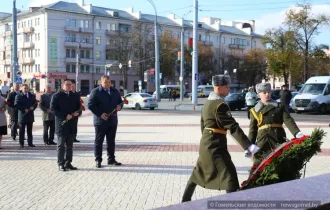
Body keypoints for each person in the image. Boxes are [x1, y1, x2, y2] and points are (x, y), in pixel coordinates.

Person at [181, 75, 260, 202]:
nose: (229, 89)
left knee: (197, 173)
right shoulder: (220, 105)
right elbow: (232, 127)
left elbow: (203, 125)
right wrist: (248, 145)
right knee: (230, 176)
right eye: (227, 87)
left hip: (207, 143)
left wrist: (206, 140)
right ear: (218, 88)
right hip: (215, 146)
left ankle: (185, 202)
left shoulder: (207, 103)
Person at [248, 83, 303, 160]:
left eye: (269, 92)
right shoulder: (254, 111)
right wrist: (249, 146)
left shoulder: (279, 106)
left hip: (278, 137)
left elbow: (288, 120)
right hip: (263, 140)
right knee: (260, 164)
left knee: (282, 161)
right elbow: (252, 130)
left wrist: (296, 132)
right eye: (264, 93)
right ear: (259, 94)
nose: (267, 94)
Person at [88, 75, 123, 168]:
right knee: (99, 141)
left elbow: (120, 102)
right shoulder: (95, 92)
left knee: (111, 141)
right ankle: (98, 160)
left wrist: (120, 106)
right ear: (101, 82)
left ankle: (111, 159)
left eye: (109, 82)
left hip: (112, 120)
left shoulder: (115, 91)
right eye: (105, 82)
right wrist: (100, 114)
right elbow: (90, 105)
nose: (107, 84)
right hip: (100, 121)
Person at [50, 79, 81, 171]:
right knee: (61, 145)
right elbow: (53, 109)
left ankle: (68, 162)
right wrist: (64, 116)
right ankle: (61, 163)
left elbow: (79, 108)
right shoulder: (57, 96)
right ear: (62, 85)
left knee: (70, 145)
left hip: (72, 124)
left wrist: (77, 113)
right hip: (61, 124)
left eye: (70, 85)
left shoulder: (75, 95)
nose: (69, 86)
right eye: (67, 85)